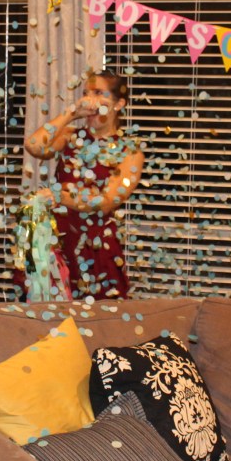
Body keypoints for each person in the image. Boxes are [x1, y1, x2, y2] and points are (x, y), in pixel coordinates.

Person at [24, 70, 145, 299]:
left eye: (98, 93)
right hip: (58, 242)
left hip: (96, 247)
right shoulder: (71, 136)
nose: (89, 100)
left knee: (102, 315)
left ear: (119, 104)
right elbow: (34, 145)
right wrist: (71, 113)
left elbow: (106, 202)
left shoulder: (130, 152)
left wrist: (61, 196)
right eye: (86, 94)